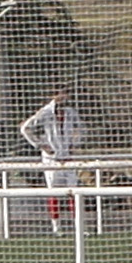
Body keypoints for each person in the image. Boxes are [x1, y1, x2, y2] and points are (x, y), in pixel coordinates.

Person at [19, 88, 86, 235]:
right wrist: (40, 144)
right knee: (53, 193)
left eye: (66, 93)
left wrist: (75, 143)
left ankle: (79, 227)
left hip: (68, 158)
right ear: (54, 95)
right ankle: (56, 227)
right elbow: (25, 128)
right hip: (51, 159)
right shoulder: (45, 112)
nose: (64, 97)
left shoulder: (70, 112)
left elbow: (81, 128)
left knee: (74, 192)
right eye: (61, 93)